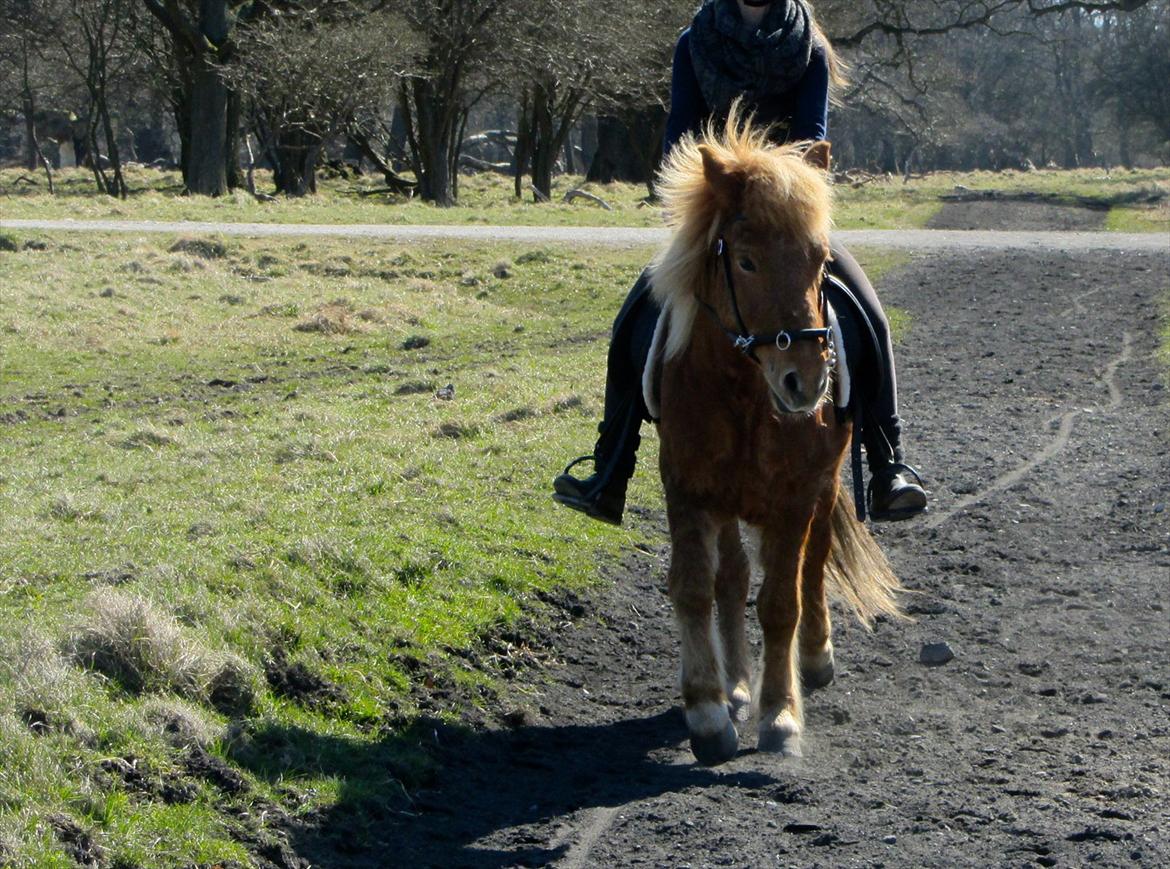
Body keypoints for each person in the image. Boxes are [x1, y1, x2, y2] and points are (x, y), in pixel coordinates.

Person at [554, 0, 926, 525]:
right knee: (632, 320)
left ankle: (888, 464)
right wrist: (713, 193)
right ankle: (610, 469)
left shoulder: (810, 48)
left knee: (871, 316)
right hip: (722, 208)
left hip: (791, 213)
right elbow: (682, 135)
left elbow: (808, 137)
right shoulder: (693, 43)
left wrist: (778, 193)